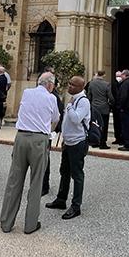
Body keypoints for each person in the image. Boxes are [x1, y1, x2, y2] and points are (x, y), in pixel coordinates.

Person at [0, 72, 60, 234]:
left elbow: (22, 109)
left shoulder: (27, 92)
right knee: (36, 183)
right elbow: (55, 118)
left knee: (14, 180)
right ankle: (30, 224)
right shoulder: (51, 98)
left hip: (21, 137)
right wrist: (48, 131)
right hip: (39, 140)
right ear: (49, 84)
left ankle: (6, 222)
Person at [45, 76, 91, 220]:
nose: (69, 86)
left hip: (78, 142)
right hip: (68, 141)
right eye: (69, 83)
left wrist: (70, 107)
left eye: (72, 85)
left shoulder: (83, 101)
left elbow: (76, 118)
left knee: (77, 174)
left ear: (80, 87)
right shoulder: (73, 99)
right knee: (64, 171)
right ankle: (61, 199)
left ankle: (76, 206)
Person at [85, 70, 114, 149]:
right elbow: (110, 97)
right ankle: (102, 143)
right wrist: (112, 103)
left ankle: (95, 141)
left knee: (94, 125)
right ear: (104, 75)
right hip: (104, 108)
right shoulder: (107, 84)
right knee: (104, 126)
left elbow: (89, 96)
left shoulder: (91, 83)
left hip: (94, 108)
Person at [116, 69, 129, 151]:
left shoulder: (125, 84)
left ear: (125, 75)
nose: (120, 76)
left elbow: (123, 97)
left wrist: (120, 107)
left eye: (121, 75)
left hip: (126, 109)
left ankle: (127, 145)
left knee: (126, 127)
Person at [111, 71, 123, 145]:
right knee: (116, 124)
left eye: (119, 75)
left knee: (121, 124)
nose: (118, 77)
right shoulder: (113, 83)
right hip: (115, 107)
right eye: (117, 76)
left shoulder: (124, 83)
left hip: (120, 107)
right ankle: (117, 138)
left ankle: (121, 138)